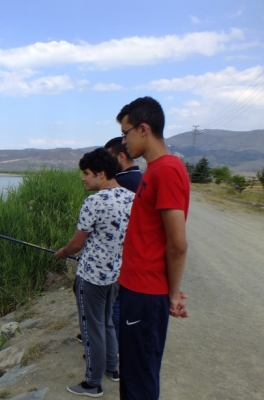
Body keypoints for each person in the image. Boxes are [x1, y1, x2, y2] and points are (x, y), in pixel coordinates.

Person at [116, 96, 190, 399]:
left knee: (140, 381)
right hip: (136, 290)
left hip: (146, 295)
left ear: (143, 129)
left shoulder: (166, 170)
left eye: (125, 133)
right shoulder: (154, 170)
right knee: (133, 374)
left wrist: (173, 294)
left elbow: (177, 244)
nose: (123, 142)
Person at [55, 147, 134, 397]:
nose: (83, 178)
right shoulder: (131, 198)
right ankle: (113, 368)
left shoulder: (94, 202)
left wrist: (64, 252)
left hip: (91, 278)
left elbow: (77, 243)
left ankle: (92, 383)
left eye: (86, 173)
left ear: (101, 173)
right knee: (108, 322)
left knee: (91, 329)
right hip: (115, 276)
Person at [104, 137, 143, 346]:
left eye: (109, 158)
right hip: (133, 255)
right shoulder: (141, 178)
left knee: (115, 305)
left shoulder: (122, 183)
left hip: (122, 256)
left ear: (120, 156)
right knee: (122, 302)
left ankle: (114, 347)